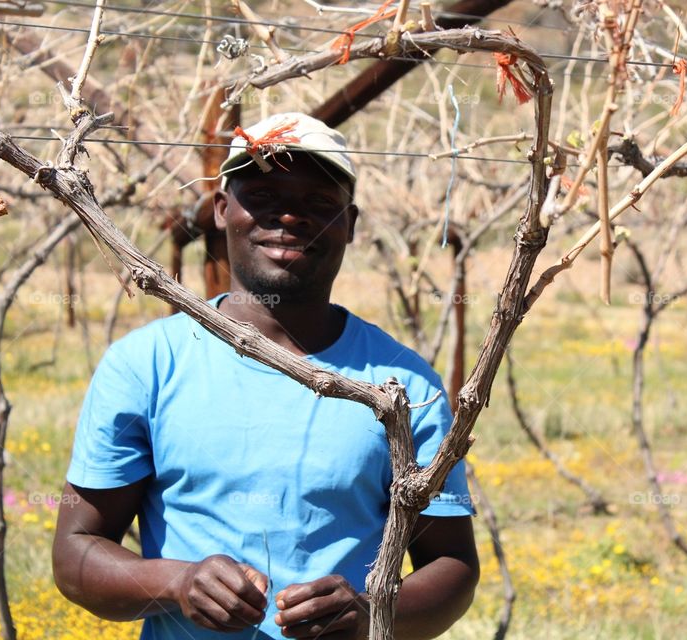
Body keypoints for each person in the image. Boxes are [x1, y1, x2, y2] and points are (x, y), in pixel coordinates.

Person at [52, 113, 479, 640]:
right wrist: (180, 583)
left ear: (350, 223)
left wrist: (371, 613)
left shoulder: (405, 387)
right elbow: (76, 554)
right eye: (262, 194)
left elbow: (453, 566)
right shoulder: (145, 365)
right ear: (221, 209)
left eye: (320, 203)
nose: (290, 216)